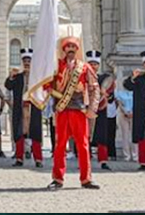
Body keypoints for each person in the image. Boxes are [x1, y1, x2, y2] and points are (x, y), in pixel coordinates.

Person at [43, 35, 99, 191]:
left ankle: (86, 178)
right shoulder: (56, 67)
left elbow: (94, 87)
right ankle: (58, 179)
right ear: (64, 50)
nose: (71, 50)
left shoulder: (84, 67)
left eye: (73, 48)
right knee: (60, 145)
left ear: (77, 50)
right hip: (61, 110)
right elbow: (46, 85)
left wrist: (92, 108)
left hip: (79, 110)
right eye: (68, 47)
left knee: (83, 145)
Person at [5, 48, 44, 168]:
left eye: (29, 60)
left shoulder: (37, 77)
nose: (27, 63)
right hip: (20, 108)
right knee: (19, 133)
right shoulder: (18, 76)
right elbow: (8, 86)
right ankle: (19, 158)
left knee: (36, 133)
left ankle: (38, 159)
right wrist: (10, 77)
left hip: (34, 108)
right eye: (25, 61)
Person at [90, 54, 117, 170]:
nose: (93, 66)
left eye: (95, 64)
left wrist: (106, 94)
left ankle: (103, 160)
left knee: (102, 135)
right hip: (86, 109)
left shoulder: (104, 78)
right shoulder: (83, 78)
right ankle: (85, 160)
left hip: (101, 110)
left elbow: (111, 95)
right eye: (91, 64)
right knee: (85, 135)